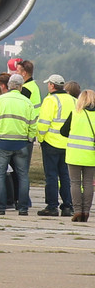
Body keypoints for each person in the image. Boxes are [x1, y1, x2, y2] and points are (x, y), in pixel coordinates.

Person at [0, 73, 37, 213]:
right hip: (21, 142)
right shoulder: (27, 102)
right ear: (20, 87)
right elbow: (33, 123)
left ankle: (0, 207)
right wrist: (30, 138)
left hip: (3, 142)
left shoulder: (0, 100)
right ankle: (23, 208)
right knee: (23, 176)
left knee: (0, 175)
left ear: (9, 86)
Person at [34, 74, 76, 216]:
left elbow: (43, 123)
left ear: (52, 85)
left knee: (51, 176)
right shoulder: (74, 100)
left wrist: (40, 138)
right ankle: (68, 206)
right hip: (68, 144)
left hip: (51, 142)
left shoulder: (50, 100)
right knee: (65, 176)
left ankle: (52, 206)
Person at [64, 89, 95, 223]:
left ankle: (77, 211)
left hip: (74, 154)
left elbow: (63, 131)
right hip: (90, 154)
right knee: (88, 183)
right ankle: (86, 211)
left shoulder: (75, 113)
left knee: (75, 183)